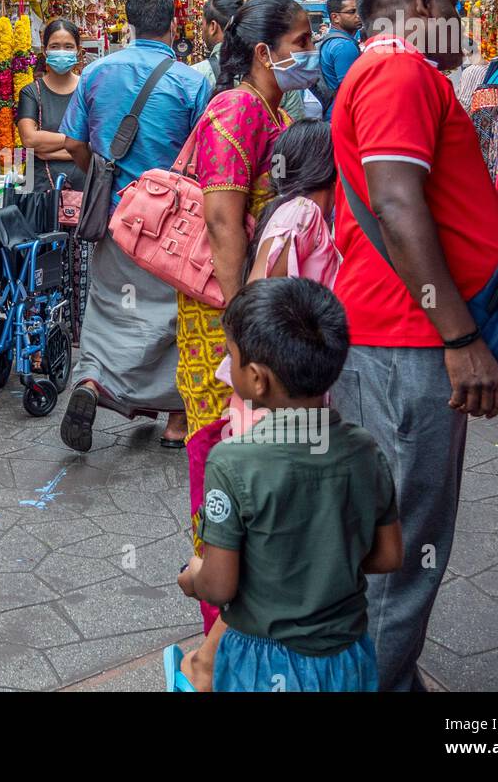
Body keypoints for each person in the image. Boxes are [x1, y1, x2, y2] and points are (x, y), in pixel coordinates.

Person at [331, 0, 498, 692]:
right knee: (406, 543)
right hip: (406, 340)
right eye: (457, 8)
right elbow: (397, 204)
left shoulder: (382, 73)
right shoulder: (401, 71)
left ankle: (381, 676)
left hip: (396, 334)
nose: (463, 27)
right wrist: (460, 338)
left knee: (390, 532)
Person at [166, 277, 403, 692]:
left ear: (257, 379)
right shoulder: (366, 450)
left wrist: (193, 577)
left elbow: (221, 585)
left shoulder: (232, 461)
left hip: (261, 661)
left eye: (231, 355)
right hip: (347, 658)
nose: (228, 363)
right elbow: (387, 555)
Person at [188, 117, 341, 638]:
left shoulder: (295, 212)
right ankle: (219, 653)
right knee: (269, 526)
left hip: (277, 388)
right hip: (274, 394)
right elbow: (263, 299)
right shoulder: (300, 215)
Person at [177, 0, 317, 539]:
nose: (311, 53)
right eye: (301, 43)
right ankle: (218, 605)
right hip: (224, 310)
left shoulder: (272, 111)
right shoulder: (237, 109)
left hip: (252, 306)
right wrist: (241, 322)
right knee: (220, 446)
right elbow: (222, 221)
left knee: (252, 445)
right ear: (264, 51)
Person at [59, 0, 211, 451]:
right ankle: (175, 421)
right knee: (171, 318)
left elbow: (72, 143)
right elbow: (204, 157)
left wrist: (105, 176)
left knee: (107, 310)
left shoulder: (97, 73)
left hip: (114, 216)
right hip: (171, 224)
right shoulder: (191, 81)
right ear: (173, 24)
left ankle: (90, 385)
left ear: (128, 23)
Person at [15, 19, 87, 194]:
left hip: (84, 190)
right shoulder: (31, 93)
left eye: (68, 46)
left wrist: (48, 148)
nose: (61, 51)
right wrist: (78, 143)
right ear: (45, 51)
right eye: (55, 46)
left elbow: (99, 144)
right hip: (40, 190)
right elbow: (30, 140)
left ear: (78, 51)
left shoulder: (89, 90)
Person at [313, 0, 362, 116]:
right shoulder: (344, 46)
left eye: (359, 10)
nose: (358, 15)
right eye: (352, 12)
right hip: (340, 115)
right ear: (335, 17)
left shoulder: (331, 41)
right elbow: (352, 91)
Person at [193, 0, 243, 93]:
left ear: (213, 27)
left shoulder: (195, 74)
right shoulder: (264, 70)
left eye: (202, 24)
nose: (202, 30)